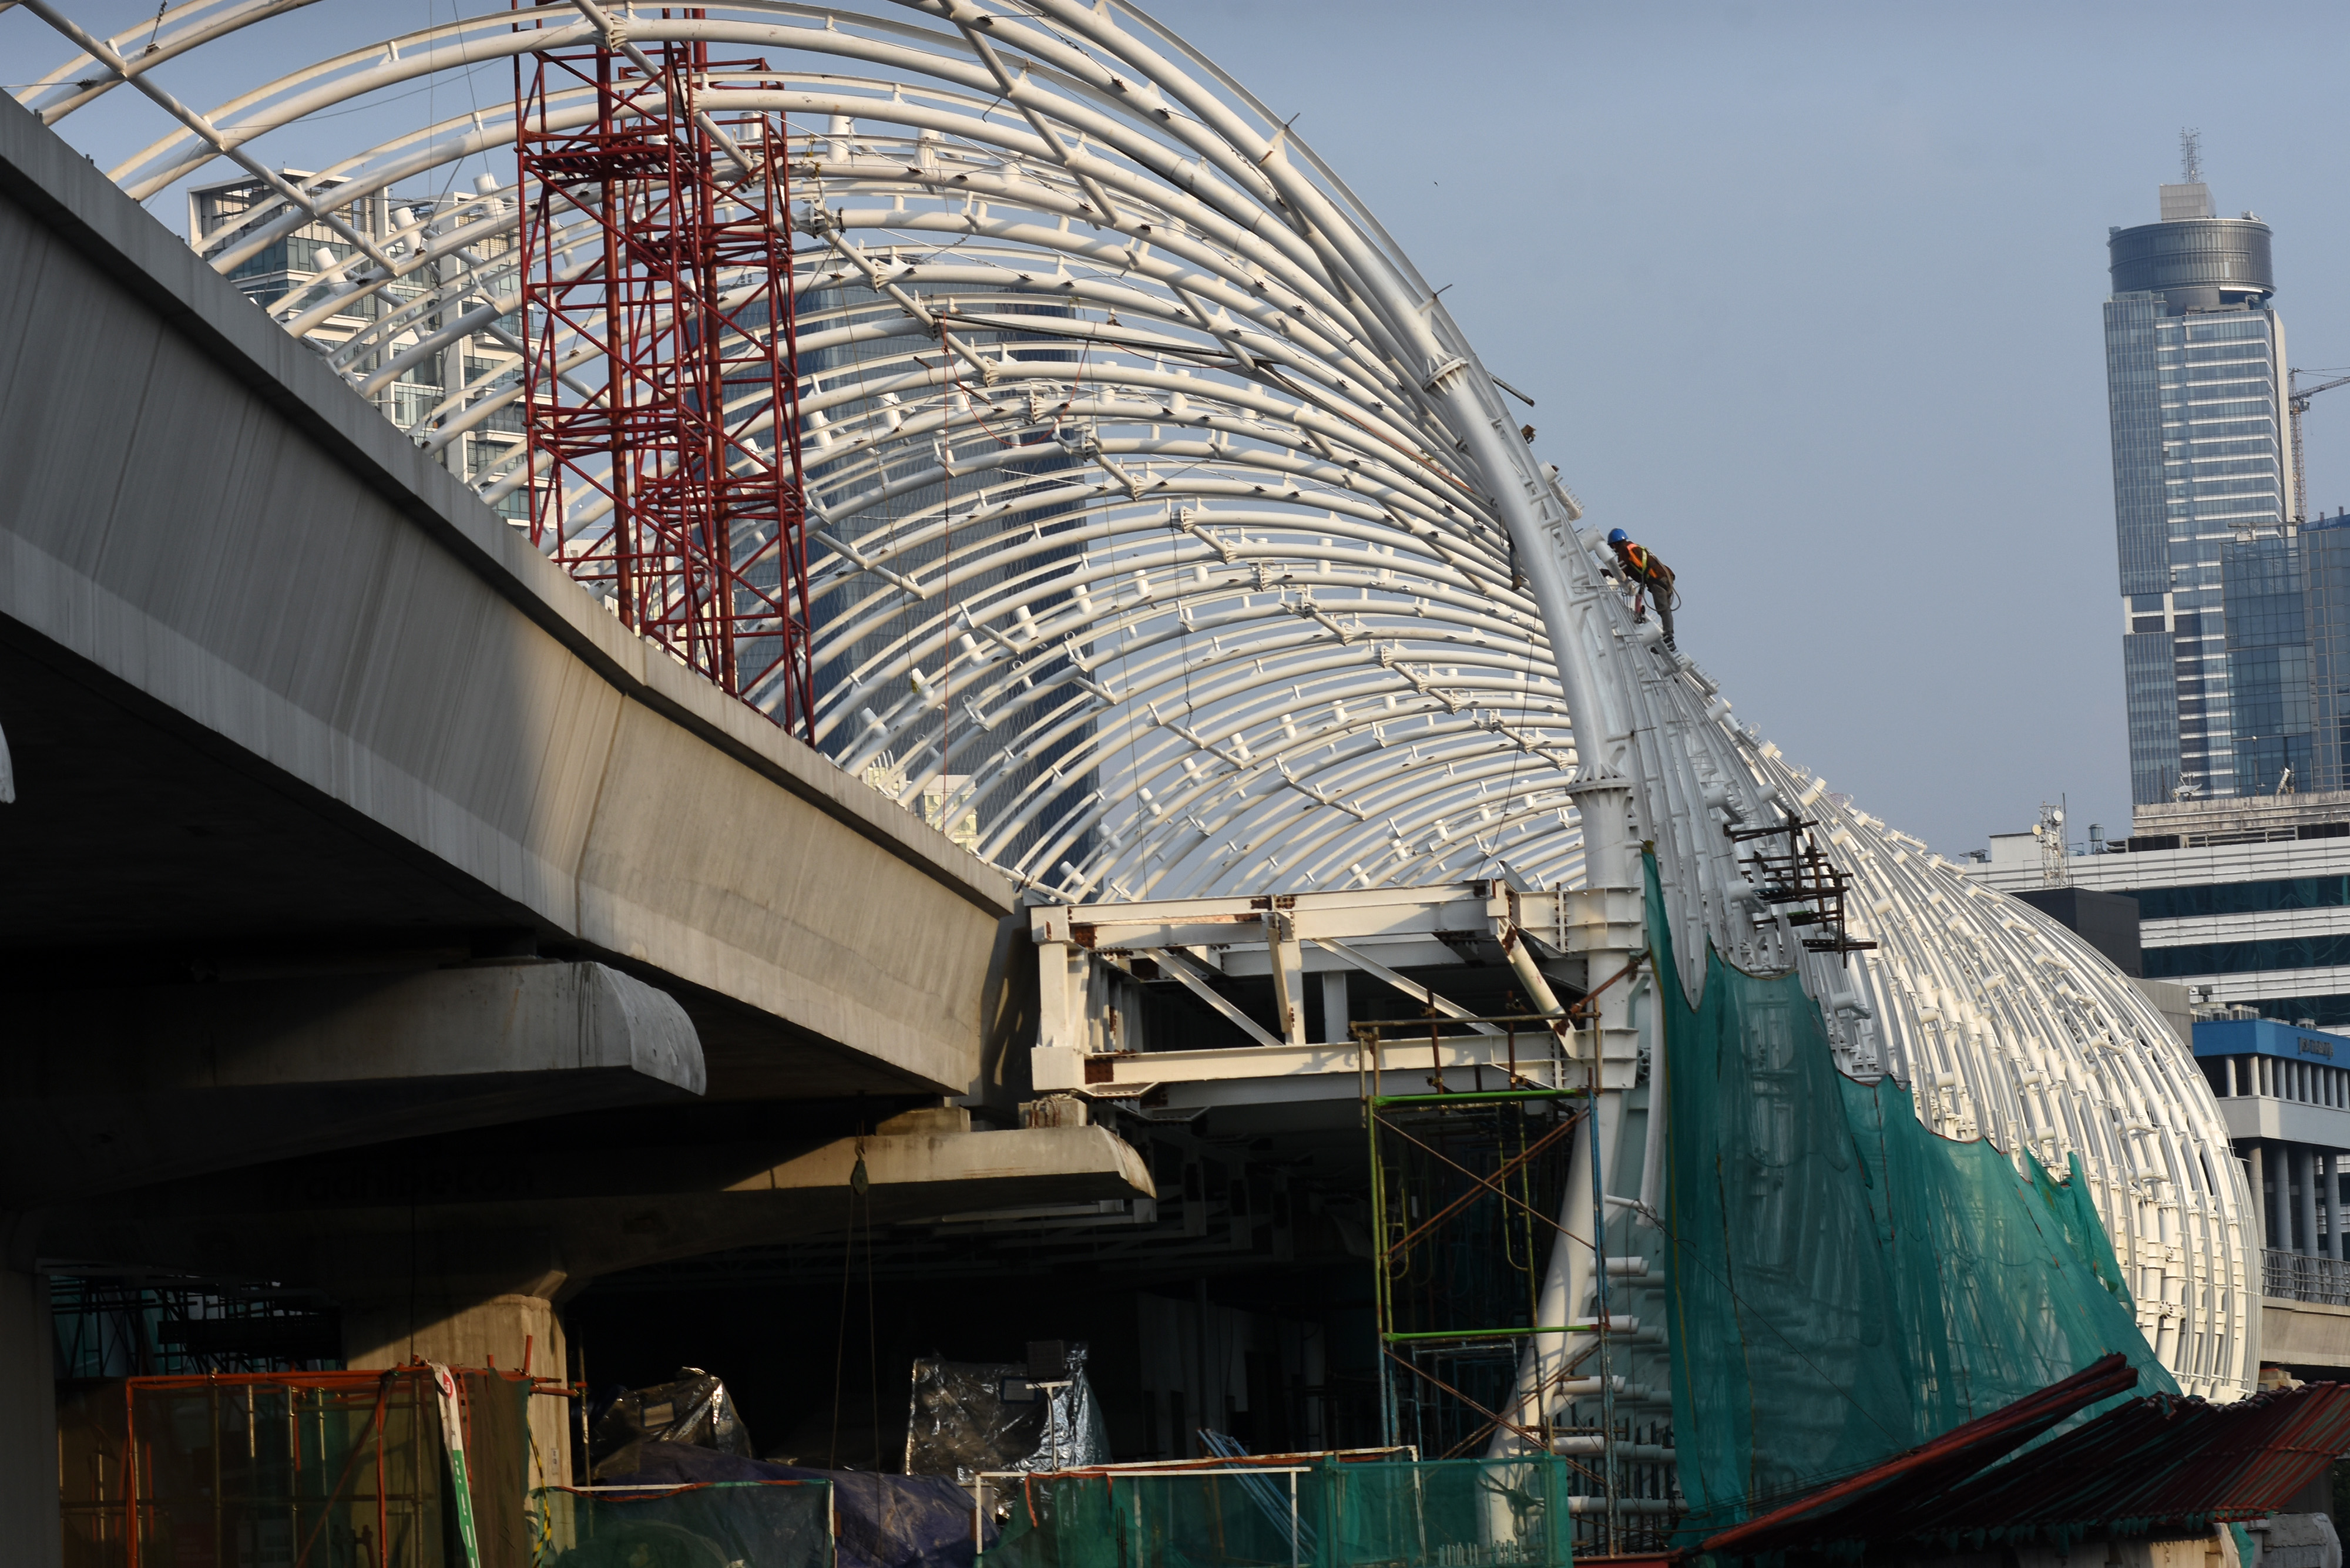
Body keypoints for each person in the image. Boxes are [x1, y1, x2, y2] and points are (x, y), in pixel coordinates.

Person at [1606, 528, 1678, 649]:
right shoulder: (1634, 547)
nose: (1614, 550)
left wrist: (1604, 572)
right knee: (1666, 610)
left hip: (1657, 579)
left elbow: (1620, 572)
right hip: (1666, 577)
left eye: (1613, 547)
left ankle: (1669, 639)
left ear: (1615, 544)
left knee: (1663, 609)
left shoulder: (1624, 548)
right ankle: (1667, 639)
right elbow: (1634, 570)